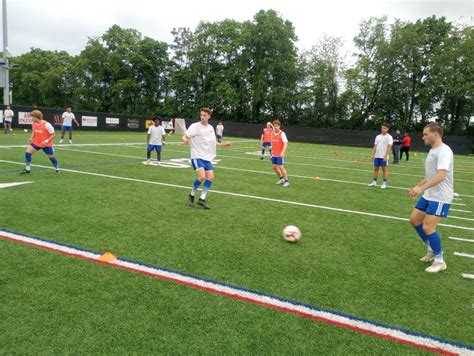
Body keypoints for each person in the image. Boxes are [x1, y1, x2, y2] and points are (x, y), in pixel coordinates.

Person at [408, 123, 453, 273]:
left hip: (440, 196)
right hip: (429, 194)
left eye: (426, 134)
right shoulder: (433, 150)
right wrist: (418, 186)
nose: (423, 137)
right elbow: (430, 176)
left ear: (436, 134)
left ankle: (439, 261)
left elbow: (441, 175)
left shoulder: (444, 151)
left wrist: (420, 188)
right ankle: (432, 249)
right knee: (414, 220)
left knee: (428, 227)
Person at [182, 107, 231, 209]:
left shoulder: (210, 128)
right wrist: (185, 139)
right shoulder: (195, 126)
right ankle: (191, 195)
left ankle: (202, 199)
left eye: (204, 115)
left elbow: (213, 143)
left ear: (209, 116)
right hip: (197, 156)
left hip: (207, 157)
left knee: (211, 177)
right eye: (201, 115)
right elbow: (185, 135)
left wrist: (224, 144)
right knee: (202, 177)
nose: (202, 117)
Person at [20, 110, 59, 174]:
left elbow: (54, 135)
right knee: (27, 153)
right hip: (36, 143)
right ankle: (27, 170)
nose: (31, 118)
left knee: (51, 157)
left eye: (32, 117)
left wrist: (46, 141)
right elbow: (34, 131)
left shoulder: (47, 125)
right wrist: (31, 138)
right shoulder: (33, 123)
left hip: (46, 144)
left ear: (36, 117)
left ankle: (57, 168)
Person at [368, 122, 393, 189]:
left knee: (384, 170)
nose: (383, 129)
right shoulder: (377, 137)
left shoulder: (389, 137)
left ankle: (384, 183)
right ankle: (374, 182)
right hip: (377, 156)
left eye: (384, 128)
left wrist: (386, 156)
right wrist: (372, 154)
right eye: (382, 128)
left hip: (383, 157)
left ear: (387, 129)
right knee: (376, 169)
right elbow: (375, 146)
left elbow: (389, 147)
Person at [271, 120, 289, 187]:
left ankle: (286, 181)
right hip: (274, 154)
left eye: (277, 126)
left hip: (280, 154)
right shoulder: (272, 133)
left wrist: (282, 152)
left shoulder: (282, 134)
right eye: (274, 126)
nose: (276, 127)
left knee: (281, 167)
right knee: (274, 167)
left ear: (279, 126)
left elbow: (285, 143)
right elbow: (272, 142)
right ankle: (281, 179)